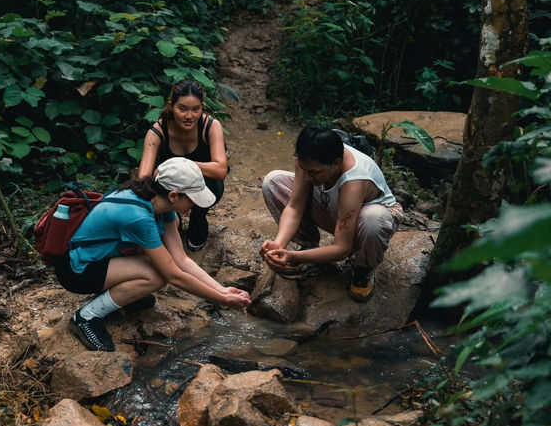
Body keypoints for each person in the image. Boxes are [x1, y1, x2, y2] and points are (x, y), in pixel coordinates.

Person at [54, 157, 250, 351]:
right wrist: (221, 299)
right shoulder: (138, 217)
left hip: (102, 259)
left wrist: (222, 289)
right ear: (174, 195)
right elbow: (173, 275)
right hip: (76, 270)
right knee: (157, 275)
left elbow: (181, 258)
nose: (196, 205)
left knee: (158, 265)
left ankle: (122, 296)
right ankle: (86, 317)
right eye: (192, 198)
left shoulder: (159, 202)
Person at [260, 126, 403, 302]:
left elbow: (342, 249)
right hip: (338, 211)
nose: (306, 177)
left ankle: (363, 268)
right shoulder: (309, 162)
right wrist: (279, 244)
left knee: (373, 219)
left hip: (366, 222)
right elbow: (295, 207)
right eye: (303, 169)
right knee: (272, 182)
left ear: (336, 164)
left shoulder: (355, 179)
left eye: (313, 172)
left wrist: (292, 256)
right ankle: (308, 247)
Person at [138, 79, 228, 251]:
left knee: (214, 184)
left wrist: (180, 164)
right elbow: (143, 178)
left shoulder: (210, 126)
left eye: (195, 109)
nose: (189, 116)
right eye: (183, 109)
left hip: (205, 184)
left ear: (202, 107)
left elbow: (221, 170)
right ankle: (172, 217)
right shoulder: (157, 132)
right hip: (170, 189)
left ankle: (199, 216)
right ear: (171, 106)